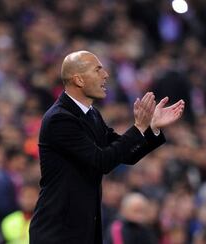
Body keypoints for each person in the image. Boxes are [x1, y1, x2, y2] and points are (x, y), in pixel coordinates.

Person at [29, 50, 185, 243]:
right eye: (97, 70)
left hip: (83, 230)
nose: (106, 75)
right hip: (58, 232)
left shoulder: (92, 114)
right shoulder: (60, 119)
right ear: (78, 80)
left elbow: (126, 154)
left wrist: (151, 127)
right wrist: (138, 127)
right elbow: (101, 161)